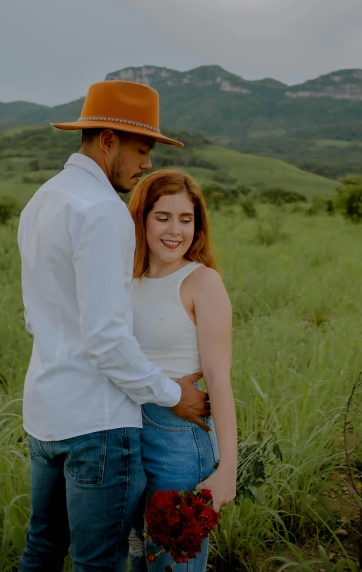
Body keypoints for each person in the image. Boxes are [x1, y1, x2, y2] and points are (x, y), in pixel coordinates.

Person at [17, 80, 211, 572]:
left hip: (45, 413)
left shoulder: (42, 200)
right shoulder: (103, 210)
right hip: (98, 426)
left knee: (41, 549)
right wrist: (172, 393)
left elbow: (33, 316)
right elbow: (106, 340)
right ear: (108, 140)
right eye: (142, 149)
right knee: (98, 563)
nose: (147, 163)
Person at [127, 169, 237, 572]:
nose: (175, 231)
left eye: (186, 219)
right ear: (142, 218)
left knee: (173, 564)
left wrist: (228, 469)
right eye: (163, 217)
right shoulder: (127, 278)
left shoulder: (201, 282)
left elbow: (219, 382)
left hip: (178, 440)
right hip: (126, 433)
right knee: (140, 556)